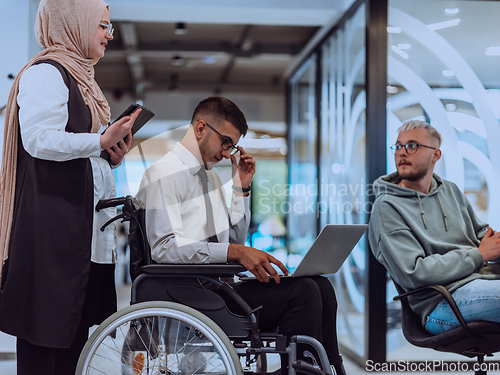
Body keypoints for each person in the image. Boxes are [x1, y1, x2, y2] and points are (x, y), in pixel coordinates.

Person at [136, 96, 346, 375]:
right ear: (201, 128)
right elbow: (164, 248)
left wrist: (240, 188)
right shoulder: (165, 173)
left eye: (231, 146)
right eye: (225, 142)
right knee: (304, 292)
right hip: (191, 293)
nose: (227, 153)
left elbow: (230, 241)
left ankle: (327, 367)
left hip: (217, 286)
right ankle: (304, 371)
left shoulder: (208, 176)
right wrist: (234, 253)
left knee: (320, 286)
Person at [0, 0, 141, 373]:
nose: (109, 36)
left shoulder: (82, 80)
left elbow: (75, 151)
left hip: (79, 239)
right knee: (45, 344)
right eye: (102, 26)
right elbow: (39, 140)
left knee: (74, 343)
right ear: (73, 24)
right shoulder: (47, 73)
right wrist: (97, 142)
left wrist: (109, 154)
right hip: (51, 238)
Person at [368, 120, 500, 335]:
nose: (402, 152)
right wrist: (478, 255)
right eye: (398, 146)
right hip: (440, 302)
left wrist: (490, 246)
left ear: (435, 155)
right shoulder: (387, 207)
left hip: (482, 280)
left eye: (412, 145)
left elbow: (482, 236)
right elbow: (415, 273)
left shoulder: (450, 191)